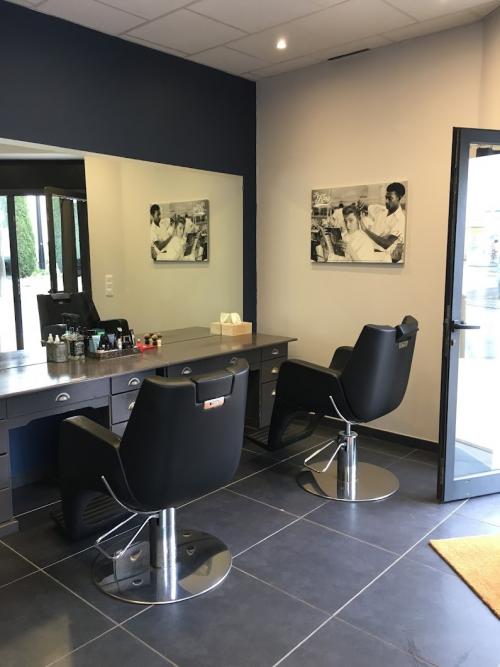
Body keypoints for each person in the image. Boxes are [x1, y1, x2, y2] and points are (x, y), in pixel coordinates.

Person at [360, 182, 406, 263]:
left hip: (381, 258)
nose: (386, 201)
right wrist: (359, 205)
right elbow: (365, 206)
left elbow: (387, 244)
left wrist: (366, 230)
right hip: (367, 251)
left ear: (399, 198)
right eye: (386, 198)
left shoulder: (400, 220)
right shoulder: (381, 210)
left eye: (390, 199)